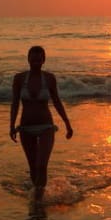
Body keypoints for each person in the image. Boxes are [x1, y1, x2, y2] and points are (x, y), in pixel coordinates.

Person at [10, 46, 73, 199]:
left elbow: (57, 102)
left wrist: (67, 123)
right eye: (33, 59)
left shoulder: (50, 78)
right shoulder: (19, 78)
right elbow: (15, 103)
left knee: (41, 165)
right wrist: (11, 126)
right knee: (33, 167)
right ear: (28, 59)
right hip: (25, 127)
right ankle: (37, 195)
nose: (36, 62)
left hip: (46, 127)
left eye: (39, 59)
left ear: (44, 60)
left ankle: (39, 199)